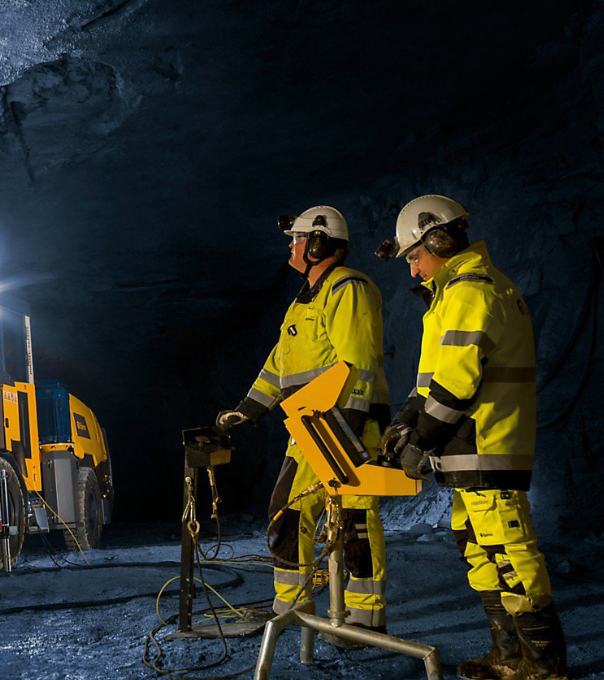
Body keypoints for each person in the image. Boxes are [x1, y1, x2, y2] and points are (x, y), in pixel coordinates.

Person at [377, 195, 567, 680]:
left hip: (487, 445)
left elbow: (457, 385)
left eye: (415, 257)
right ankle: (508, 657)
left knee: (509, 553)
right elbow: (430, 384)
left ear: (437, 240)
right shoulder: (451, 296)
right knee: (481, 553)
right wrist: (405, 424)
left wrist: (420, 440)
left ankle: (544, 668)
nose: (414, 271)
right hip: (468, 449)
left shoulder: (471, 292)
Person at [219, 206, 391, 645]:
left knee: (353, 518)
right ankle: (294, 607)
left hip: (344, 427)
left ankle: (363, 618)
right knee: (288, 513)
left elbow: (359, 363)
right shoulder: (304, 301)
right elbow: (280, 365)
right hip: (310, 430)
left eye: (295, 238)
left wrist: (347, 427)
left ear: (316, 243)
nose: (290, 246)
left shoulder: (346, 289)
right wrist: (250, 408)